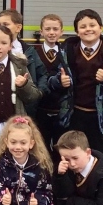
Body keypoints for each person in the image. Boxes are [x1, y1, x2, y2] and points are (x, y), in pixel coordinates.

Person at [45, 9, 103, 157]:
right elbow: (50, 80)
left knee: (101, 158)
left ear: (101, 28)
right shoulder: (67, 51)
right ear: (77, 32)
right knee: (72, 157)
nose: (88, 29)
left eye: (92, 25)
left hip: (102, 119)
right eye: (83, 26)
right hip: (74, 116)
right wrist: (59, 81)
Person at [33, 14, 69, 151]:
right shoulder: (34, 53)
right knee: (41, 146)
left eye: (55, 29)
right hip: (41, 109)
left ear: (61, 32)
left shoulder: (66, 54)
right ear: (41, 31)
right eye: (47, 29)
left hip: (61, 109)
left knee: (61, 146)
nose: (51, 32)